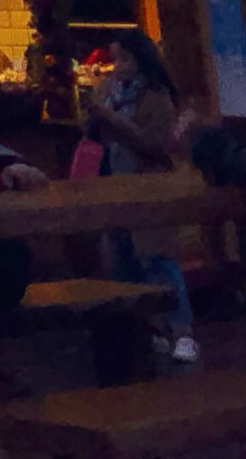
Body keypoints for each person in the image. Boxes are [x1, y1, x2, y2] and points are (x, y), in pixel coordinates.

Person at [87, 31, 198, 365]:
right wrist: (93, 118)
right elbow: (94, 136)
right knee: (123, 262)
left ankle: (183, 332)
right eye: (114, 59)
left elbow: (153, 145)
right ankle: (147, 330)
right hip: (113, 186)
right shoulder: (108, 92)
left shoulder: (156, 95)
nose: (117, 67)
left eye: (124, 59)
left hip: (147, 185)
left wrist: (110, 120)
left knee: (157, 260)